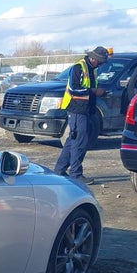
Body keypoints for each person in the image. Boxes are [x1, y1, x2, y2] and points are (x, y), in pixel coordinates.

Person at [54, 45, 110, 184]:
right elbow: (74, 89)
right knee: (80, 140)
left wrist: (98, 93)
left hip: (86, 109)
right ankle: (76, 174)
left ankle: (59, 170)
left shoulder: (92, 70)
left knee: (72, 140)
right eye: (100, 62)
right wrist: (94, 91)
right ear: (93, 58)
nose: (100, 65)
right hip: (76, 109)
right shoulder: (79, 67)